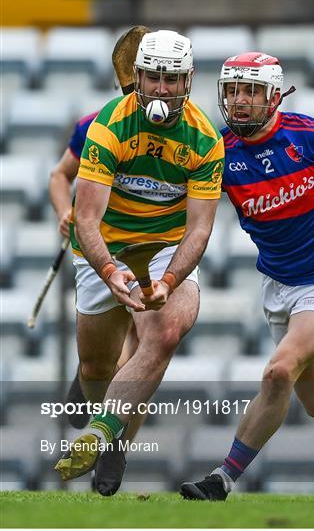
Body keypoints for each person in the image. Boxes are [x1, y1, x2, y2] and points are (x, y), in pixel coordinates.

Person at [179, 52, 314, 501]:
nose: (239, 101)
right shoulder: (220, 153)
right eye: (232, 90)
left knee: (279, 371)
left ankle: (222, 479)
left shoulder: (312, 135)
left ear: (275, 95)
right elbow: (185, 210)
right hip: (279, 285)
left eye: (250, 91)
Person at [54, 30, 225, 494]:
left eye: (172, 80)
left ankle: (106, 434)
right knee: (95, 366)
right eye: (153, 78)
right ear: (137, 77)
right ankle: (106, 420)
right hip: (107, 246)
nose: (162, 89)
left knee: (165, 331)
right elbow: (86, 217)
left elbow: (200, 229)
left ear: (188, 81)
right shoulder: (108, 126)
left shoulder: (206, 139)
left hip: (166, 244)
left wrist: (171, 279)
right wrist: (109, 270)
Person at [49, 26, 152, 496]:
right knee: (109, 353)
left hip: (152, 246)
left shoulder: (182, 126)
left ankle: (112, 443)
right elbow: (60, 176)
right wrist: (64, 212)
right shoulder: (95, 123)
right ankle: (92, 382)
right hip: (103, 245)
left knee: (142, 340)